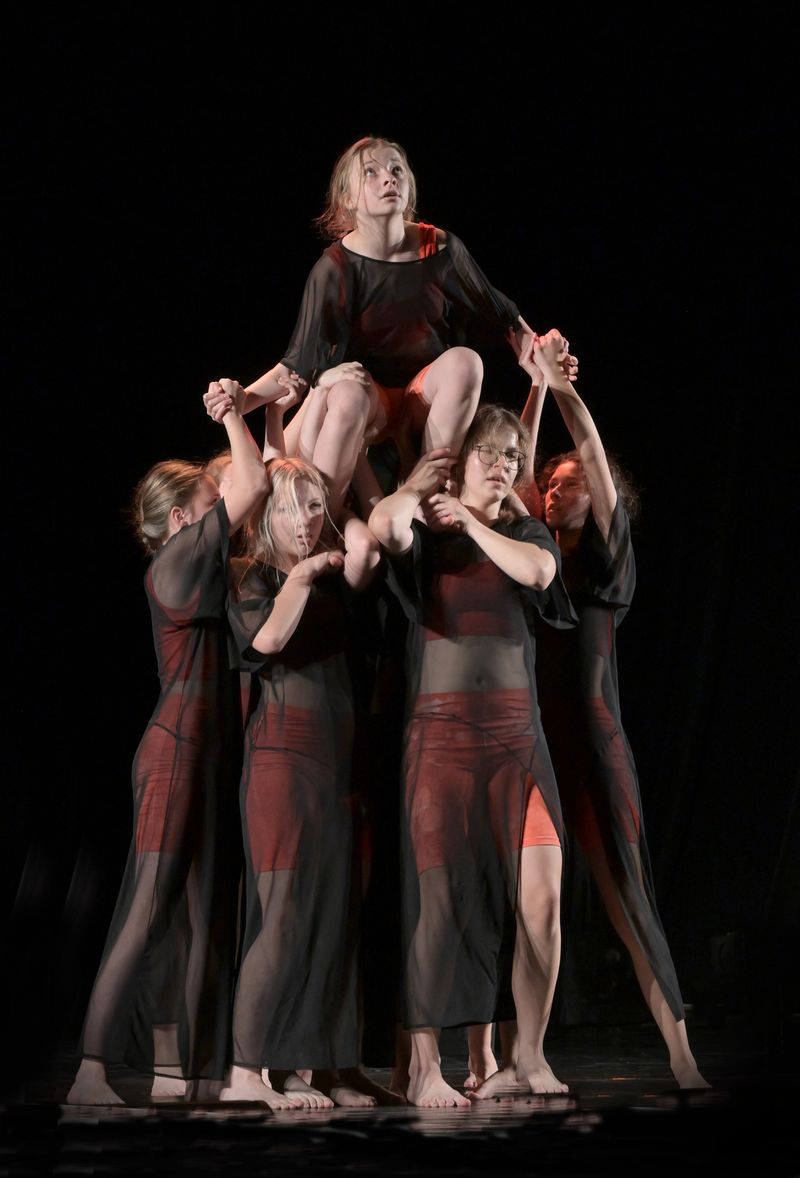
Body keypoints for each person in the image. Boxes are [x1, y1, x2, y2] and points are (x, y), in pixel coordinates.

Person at [473, 330, 709, 1094]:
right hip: (534, 744)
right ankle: (517, 1058)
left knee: (627, 897)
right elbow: (512, 478)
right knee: (524, 902)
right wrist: (533, 389)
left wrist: (564, 388)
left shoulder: (608, 567)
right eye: (551, 482)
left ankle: (682, 1057)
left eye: (567, 484)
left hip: (595, 744)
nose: (554, 489)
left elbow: (599, 468)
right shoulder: (534, 557)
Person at [367, 403, 578, 1108]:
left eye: (512, 456)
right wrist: (417, 490)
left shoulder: (521, 530)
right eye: (488, 452)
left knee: (542, 903)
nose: (501, 465)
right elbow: (384, 528)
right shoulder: (428, 534)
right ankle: (425, 1066)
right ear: (461, 462)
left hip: (519, 741)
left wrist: (476, 521)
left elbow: (540, 574)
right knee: (439, 903)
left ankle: (530, 1058)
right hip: (442, 741)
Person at [67, 379, 270, 1106]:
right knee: (147, 909)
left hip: (203, 751)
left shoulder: (193, 560)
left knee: (191, 917)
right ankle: (91, 1071)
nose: (223, 515)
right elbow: (252, 482)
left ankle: (173, 1069)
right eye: (211, 506)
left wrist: (267, 406)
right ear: (183, 517)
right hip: (176, 750)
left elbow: (251, 490)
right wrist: (235, 411)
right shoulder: (177, 559)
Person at [205, 135, 537, 512]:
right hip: (370, 400)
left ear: (409, 186)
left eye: (397, 170)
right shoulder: (336, 267)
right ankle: (325, 520)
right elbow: (296, 364)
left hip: (423, 396)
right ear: (348, 198)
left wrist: (543, 349)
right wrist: (239, 401)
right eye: (371, 173)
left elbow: (499, 311)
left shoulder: (439, 247)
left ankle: (426, 496)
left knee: (466, 362)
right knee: (347, 389)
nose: (388, 178)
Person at [219, 455, 388, 1108]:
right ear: (266, 514)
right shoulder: (250, 574)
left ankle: (314, 1066)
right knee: (283, 913)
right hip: (281, 765)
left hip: (337, 768)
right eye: (289, 507)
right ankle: (245, 1071)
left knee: (334, 917)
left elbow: (366, 547)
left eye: (314, 506)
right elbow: (266, 642)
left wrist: (340, 511)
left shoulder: (333, 576)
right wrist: (305, 572)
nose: (304, 520)